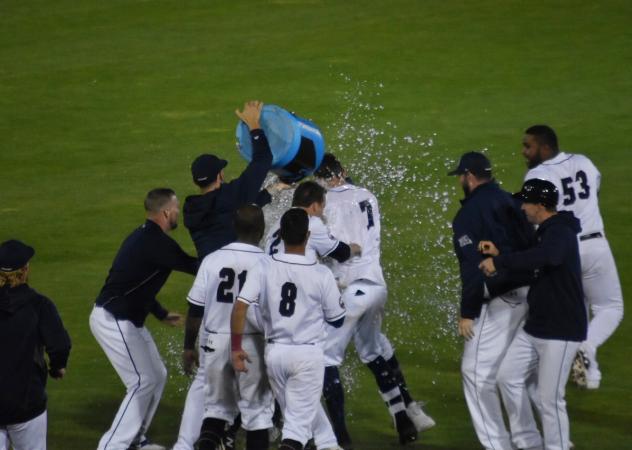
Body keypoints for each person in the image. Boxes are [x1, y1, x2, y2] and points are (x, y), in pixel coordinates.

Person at [175, 101, 288, 450]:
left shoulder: (193, 211)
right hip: (246, 326)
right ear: (221, 177)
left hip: (211, 321)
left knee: (216, 407)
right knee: (257, 412)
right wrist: (255, 127)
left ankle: (204, 441)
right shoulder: (234, 198)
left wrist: (268, 195)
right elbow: (262, 162)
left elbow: (232, 214)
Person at [314, 154, 433, 448]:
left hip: (350, 289)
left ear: (318, 179)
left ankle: (340, 439)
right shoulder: (367, 195)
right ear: (342, 171)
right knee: (371, 350)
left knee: (326, 358)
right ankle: (405, 421)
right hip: (376, 286)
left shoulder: (324, 205)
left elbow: (333, 250)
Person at [479, 178, 587, 450]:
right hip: (537, 326)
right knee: (507, 377)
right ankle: (529, 442)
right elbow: (535, 261)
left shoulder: (560, 231)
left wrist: (500, 261)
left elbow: (547, 257)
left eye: (526, 202)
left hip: (561, 330)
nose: (522, 207)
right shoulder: (546, 231)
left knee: (550, 399)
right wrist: (502, 253)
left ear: (539, 205)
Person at [90, 188, 198, 450]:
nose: (178, 214)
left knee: (156, 375)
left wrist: (160, 313)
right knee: (142, 380)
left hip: (126, 317)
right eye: (176, 209)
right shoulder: (157, 244)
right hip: (113, 320)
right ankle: (112, 446)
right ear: (165, 212)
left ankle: (136, 438)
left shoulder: (144, 237)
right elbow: (195, 266)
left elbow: (137, 285)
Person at [449, 152, 541, 450]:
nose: (461, 181)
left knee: (475, 374)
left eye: (461, 176)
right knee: (516, 376)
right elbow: (532, 247)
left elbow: (473, 269)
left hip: (504, 300)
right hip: (534, 296)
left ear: (470, 177)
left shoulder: (467, 216)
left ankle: (498, 445)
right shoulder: (513, 201)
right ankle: (535, 443)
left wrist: (468, 312)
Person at [232, 208, 346, 450]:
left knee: (309, 420)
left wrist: (235, 348)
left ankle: (330, 445)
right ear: (307, 235)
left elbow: (241, 306)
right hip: (307, 358)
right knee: (296, 431)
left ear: (281, 235)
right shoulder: (321, 273)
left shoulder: (264, 266)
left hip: (274, 356)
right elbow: (337, 319)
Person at [520, 125, 623, 389]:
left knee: (580, 309)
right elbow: (595, 191)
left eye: (528, 146)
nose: (524, 152)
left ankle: (584, 354)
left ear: (544, 147)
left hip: (565, 249)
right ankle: (587, 353)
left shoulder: (538, 174)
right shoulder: (583, 162)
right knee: (609, 308)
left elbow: (534, 216)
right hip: (596, 244)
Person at [182, 205, 274, 450]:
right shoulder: (268, 264)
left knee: (215, 412)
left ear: (234, 227)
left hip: (214, 343)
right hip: (252, 344)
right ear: (262, 230)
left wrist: (188, 348)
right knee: (257, 416)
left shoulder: (212, 260)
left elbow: (195, 310)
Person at [0, 240, 71, 450]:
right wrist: (57, 367)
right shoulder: (39, 305)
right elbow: (59, 345)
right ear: (24, 271)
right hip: (26, 403)